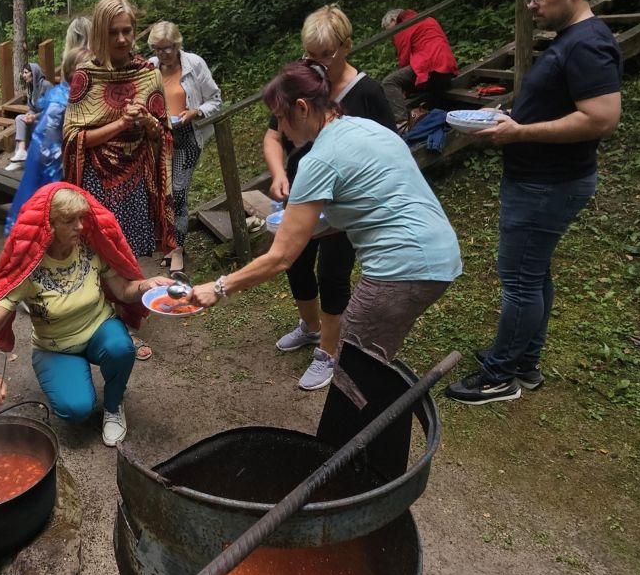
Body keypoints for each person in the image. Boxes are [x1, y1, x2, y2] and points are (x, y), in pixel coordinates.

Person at [190, 60, 462, 395]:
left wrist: (218, 288)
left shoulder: (319, 160)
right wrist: (303, 231)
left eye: (280, 117)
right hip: (439, 255)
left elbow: (280, 259)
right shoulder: (365, 128)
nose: (280, 129)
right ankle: (371, 424)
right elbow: (363, 204)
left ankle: (354, 439)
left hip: (401, 268)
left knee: (352, 370)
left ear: (301, 108)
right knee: (372, 360)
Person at [445, 0, 622, 405]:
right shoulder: (570, 38)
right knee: (533, 273)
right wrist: (510, 117)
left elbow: (602, 118)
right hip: (543, 179)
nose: (532, 5)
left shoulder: (588, 43)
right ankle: (524, 362)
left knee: (520, 279)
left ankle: (499, 376)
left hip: (548, 184)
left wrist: (521, 131)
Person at [0, 183, 175, 446]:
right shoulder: (28, 269)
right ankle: (74, 379)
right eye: (69, 220)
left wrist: (146, 285)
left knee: (121, 347)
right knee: (76, 409)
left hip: (99, 328)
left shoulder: (89, 250)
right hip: (56, 347)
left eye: (82, 218)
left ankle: (113, 405)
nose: (80, 226)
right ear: (49, 226)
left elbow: (123, 291)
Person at [262, 4, 397, 390]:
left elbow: (389, 149)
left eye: (326, 54)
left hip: (343, 205)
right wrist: (279, 174)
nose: (317, 63)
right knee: (296, 264)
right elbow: (273, 136)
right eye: (310, 54)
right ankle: (310, 326)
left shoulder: (368, 92)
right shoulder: (299, 83)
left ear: (347, 46)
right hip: (301, 197)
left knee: (333, 274)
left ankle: (329, 351)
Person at [63, 0, 174, 260]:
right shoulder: (86, 77)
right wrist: (121, 123)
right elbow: (73, 138)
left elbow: (162, 135)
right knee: (97, 257)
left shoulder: (149, 74)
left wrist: (148, 122)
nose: (122, 39)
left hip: (136, 181)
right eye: (113, 33)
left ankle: (127, 302)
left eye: (127, 31)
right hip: (96, 181)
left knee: (130, 258)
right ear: (100, 33)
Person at [148, 21, 222, 275]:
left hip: (187, 137)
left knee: (178, 192)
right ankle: (169, 244)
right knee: (162, 195)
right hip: (159, 139)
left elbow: (215, 99)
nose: (162, 54)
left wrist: (196, 111)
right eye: (157, 49)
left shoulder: (194, 64)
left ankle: (177, 250)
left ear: (177, 45)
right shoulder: (151, 67)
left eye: (166, 49)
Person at [5, 47, 95, 234]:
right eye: (90, 71)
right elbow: (46, 145)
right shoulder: (60, 102)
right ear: (74, 73)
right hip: (55, 174)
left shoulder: (77, 96)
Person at [380, 8, 458, 125]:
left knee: (389, 82)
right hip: (447, 67)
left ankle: (401, 123)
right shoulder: (427, 18)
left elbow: (404, 59)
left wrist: (405, 90)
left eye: (389, 29)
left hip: (429, 67)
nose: (392, 34)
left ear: (393, 19)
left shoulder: (403, 26)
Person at [6, 62, 55, 170]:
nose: (23, 75)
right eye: (23, 73)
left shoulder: (46, 85)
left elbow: (53, 109)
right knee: (20, 118)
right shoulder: (30, 87)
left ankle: (21, 160)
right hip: (37, 118)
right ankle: (21, 152)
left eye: (26, 72)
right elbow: (33, 108)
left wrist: (35, 117)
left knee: (27, 122)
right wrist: (29, 115)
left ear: (34, 73)